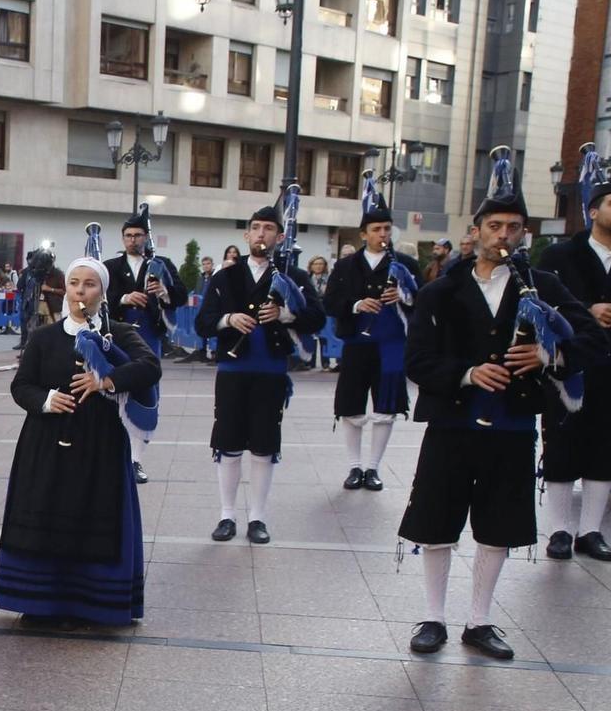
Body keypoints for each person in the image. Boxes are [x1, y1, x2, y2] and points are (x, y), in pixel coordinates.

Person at [401, 182, 600, 659]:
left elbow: (592, 338)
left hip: (512, 425)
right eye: (494, 226)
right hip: (451, 424)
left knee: (497, 522)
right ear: (476, 232)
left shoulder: (541, 285)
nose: (503, 235)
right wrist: (467, 373)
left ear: (524, 233)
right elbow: (417, 360)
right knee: (437, 521)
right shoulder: (442, 289)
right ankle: (433, 617)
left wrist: (548, 354)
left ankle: (480, 620)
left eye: (513, 227)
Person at [0, 258, 162, 628]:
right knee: (46, 514)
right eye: (74, 283)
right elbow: (21, 386)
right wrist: (46, 400)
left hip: (99, 445)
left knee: (91, 517)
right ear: (66, 289)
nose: (80, 291)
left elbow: (150, 366)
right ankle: (38, 602)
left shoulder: (118, 333)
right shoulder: (44, 337)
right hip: (45, 443)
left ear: (102, 292)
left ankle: (91, 603)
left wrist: (106, 381)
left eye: (89, 284)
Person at [195, 204, 324, 544]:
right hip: (233, 370)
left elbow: (317, 317)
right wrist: (228, 320)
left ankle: (258, 518)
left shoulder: (293, 277)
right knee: (229, 442)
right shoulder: (225, 277)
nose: (261, 234)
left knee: (265, 446)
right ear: (246, 234)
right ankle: (226, 515)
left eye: (269, 228)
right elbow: (202, 323)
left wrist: (285, 315)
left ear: (280, 237)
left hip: (271, 370)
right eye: (256, 227)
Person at [534, 162, 611, 561]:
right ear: (593, 211)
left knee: (604, 448)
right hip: (569, 366)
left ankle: (591, 531)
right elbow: (538, 303)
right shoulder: (561, 254)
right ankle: (559, 530)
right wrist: (587, 309)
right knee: (562, 443)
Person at [323, 189, 421, 493]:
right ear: (364, 234)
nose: (383, 234)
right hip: (357, 342)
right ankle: (354, 466)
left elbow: (423, 300)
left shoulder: (404, 264)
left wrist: (402, 296)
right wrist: (356, 305)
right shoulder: (346, 266)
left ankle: (373, 468)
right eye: (377, 229)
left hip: (391, 344)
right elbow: (330, 302)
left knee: (386, 407)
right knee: (351, 406)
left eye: (387, 229)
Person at [105, 211, 185, 483]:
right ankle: (115, 455)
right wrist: (125, 297)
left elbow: (180, 295)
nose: (133, 240)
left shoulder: (161, 264)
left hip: (149, 338)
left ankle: (136, 460)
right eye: (128, 235)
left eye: (138, 235)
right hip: (117, 338)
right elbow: (101, 296)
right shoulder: (111, 266)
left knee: (147, 394)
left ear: (146, 237)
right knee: (114, 392)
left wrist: (164, 291)